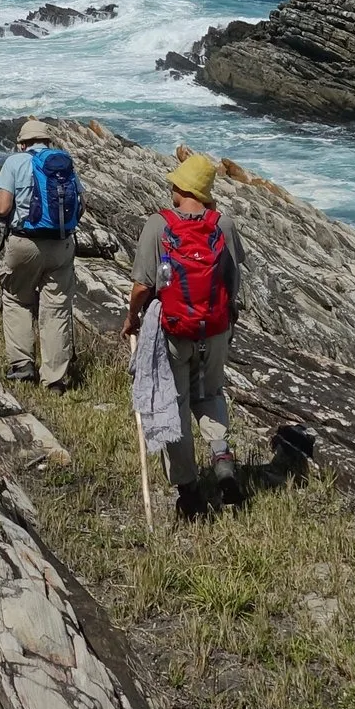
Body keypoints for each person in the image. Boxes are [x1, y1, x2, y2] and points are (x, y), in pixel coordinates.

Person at [120, 152, 245, 519]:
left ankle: (189, 492)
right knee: (211, 392)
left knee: (173, 404)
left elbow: (142, 285)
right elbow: (233, 278)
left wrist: (132, 318)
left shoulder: (158, 225)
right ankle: (221, 456)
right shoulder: (224, 224)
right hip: (216, 329)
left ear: (181, 188)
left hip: (174, 332)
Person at [0, 118, 82, 389]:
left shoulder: (15, 162)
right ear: (48, 142)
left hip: (25, 242)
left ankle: (22, 365)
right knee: (56, 309)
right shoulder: (64, 164)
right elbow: (80, 206)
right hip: (61, 244)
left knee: (17, 298)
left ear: (22, 143)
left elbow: (4, 208)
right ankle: (54, 379)